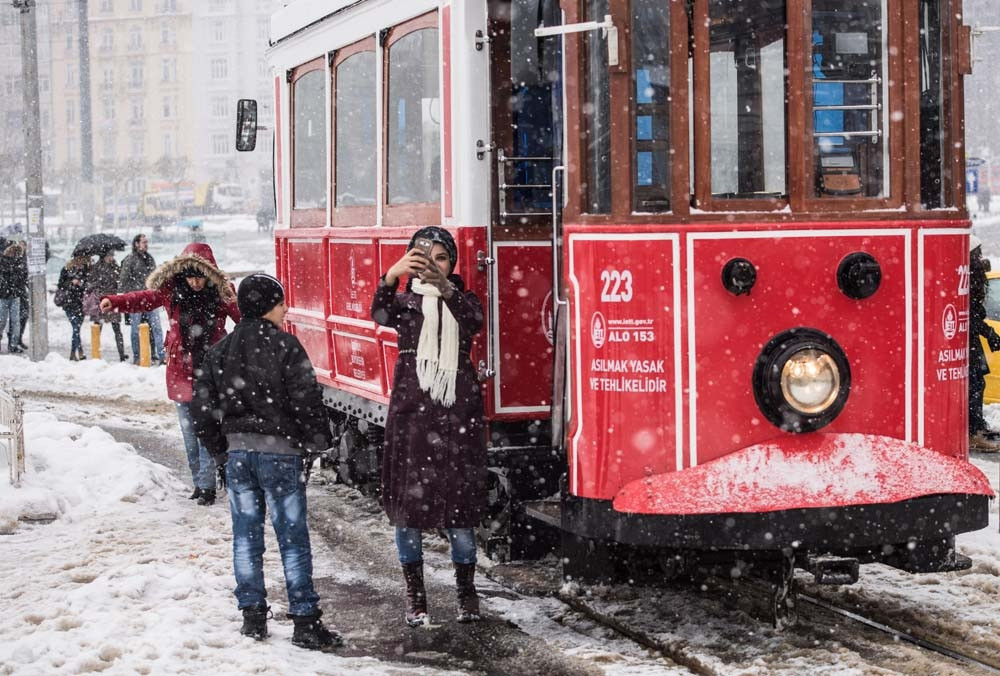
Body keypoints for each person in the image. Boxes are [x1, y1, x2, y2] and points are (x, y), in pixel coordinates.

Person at [190, 273, 341, 651]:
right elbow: (308, 401)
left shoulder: (220, 350)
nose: (285, 308)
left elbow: (202, 411)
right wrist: (317, 442)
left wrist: (222, 451)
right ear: (266, 307)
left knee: (246, 538)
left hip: (239, 456)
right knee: (292, 540)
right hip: (282, 455)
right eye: (280, 303)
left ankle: (253, 617)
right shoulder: (287, 347)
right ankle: (305, 622)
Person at [370, 226, 487, 626]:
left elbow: (474, 320)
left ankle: (466, 593)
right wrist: (391, 275)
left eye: (441, 257)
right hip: (412, 418)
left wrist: (447, 290)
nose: (433, 265)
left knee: (460, 512)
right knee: (409, 511)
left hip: (457, 416)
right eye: (424, 257)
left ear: (452, 263)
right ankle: (415, 595)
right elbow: (379, 312)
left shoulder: (463, 299)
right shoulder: (403, 304)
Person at [99, 242, 240, 504]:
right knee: (189, 436)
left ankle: (208, 486)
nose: (196, 283)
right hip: (180, 371)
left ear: (209, 273)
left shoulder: (223, 292)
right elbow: (142, 299)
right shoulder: (170, 291)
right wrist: (114, 301)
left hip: (212, 373)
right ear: (182, 274)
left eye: (200, 277)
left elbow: (244, 320)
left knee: (206, 432)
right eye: (191, 277)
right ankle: (199, 482)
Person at [969, 235, 1000, 451]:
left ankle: (977, 426)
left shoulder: (974, 280)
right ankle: (973, 432)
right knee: (973, 384)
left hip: (971, 343)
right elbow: (970, 317)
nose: (982, 260)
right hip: (967, 343)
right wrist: (988, 332)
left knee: (978, 382)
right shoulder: (967, 280)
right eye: (978, 255)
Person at [119, 233, 165, 364]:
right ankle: (137, 356)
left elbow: (155, 277)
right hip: (136, 299)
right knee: (136, 329)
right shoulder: (130, 259)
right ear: (136, 244)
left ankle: (161, 355)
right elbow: (123, 281)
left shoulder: (149, 258)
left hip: (150, 298)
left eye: (147, 242)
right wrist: (132, 295)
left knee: (156, 327)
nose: (146, 244)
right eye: (144, 242)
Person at [87, 250, 128, 362]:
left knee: (117, 328)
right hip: (100, 300)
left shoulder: (115, 266)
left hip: (112, 300)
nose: (112, 258)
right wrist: (99, 283)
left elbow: (120, 279)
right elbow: (91, 283)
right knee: (97, 327)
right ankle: (95, 354)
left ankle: (122, 354)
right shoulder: (96, 267)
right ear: (104, 256)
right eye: (110, 255)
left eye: (112, 255)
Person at [58, 254, 91, 361]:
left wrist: (81, 283)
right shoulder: (66, 269)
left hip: (81, 303)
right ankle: (74, 353)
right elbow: (60, 285)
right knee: (76, 328)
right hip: (69, 303)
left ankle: (79, 351)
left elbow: (89, 285)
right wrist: (71, 283)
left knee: (77, 328)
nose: (83, 263)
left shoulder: (86, 270)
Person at [0, 239, 26, 353]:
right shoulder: (3, 261)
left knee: (14, 321)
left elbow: (22, 278)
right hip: (5, 296)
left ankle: (13, 344)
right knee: (4, 321)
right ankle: (12, 344)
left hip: (13, 296)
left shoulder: (19, 263)